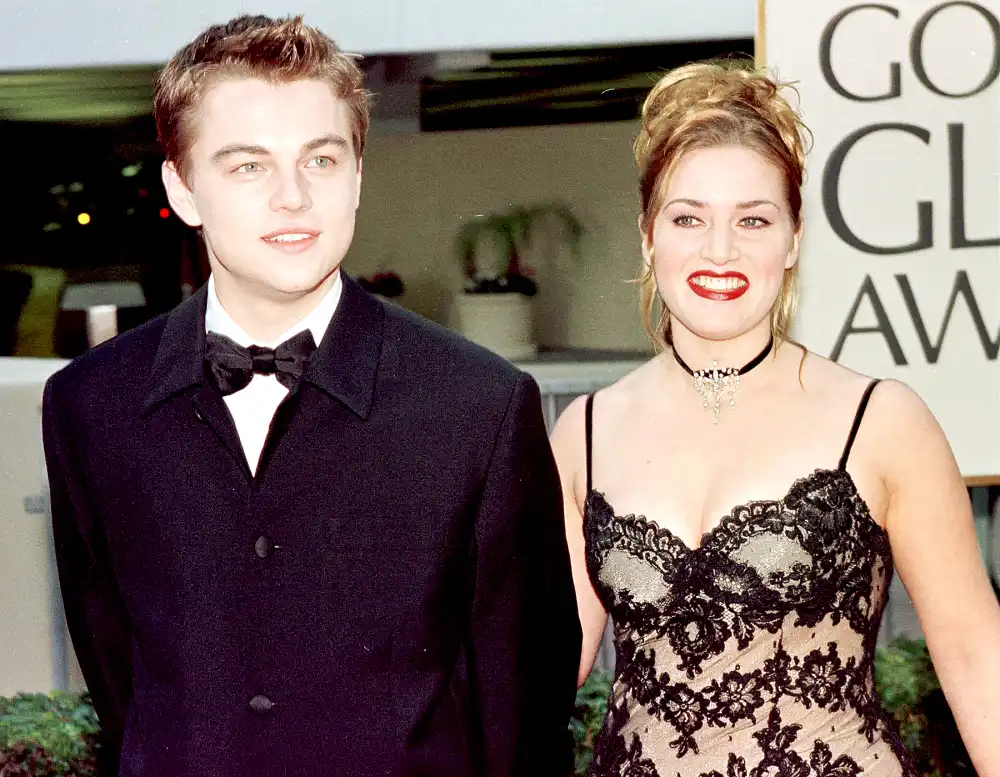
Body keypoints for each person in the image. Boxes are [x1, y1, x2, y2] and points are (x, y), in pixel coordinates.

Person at [42, 15, 581, 777]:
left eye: (320, 159)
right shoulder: (88, 408)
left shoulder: (480, 409)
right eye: (247, 166)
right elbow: (120, 675)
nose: (293, 196)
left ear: (358, 173)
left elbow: (521, 718)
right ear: (182, 187)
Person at [550, 62, 1000, 776]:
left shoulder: (881, 420)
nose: (719, 250)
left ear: (792, 241)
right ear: (646, 235)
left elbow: (979, 660)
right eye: (688, 217)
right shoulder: (585, 432)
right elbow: (537, 674)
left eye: (753, 220)